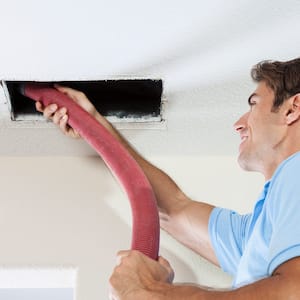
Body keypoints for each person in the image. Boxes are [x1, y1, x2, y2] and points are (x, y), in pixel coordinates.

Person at [37, 57, 300, 299]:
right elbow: (173, 209)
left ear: (293, 108)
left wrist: (150, 291)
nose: (238, 124)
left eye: (253, 104)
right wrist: (96, 126)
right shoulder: (261, 232)